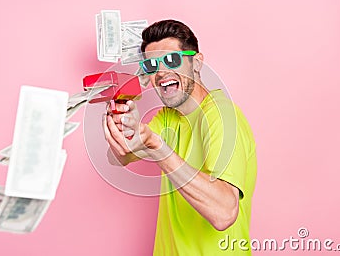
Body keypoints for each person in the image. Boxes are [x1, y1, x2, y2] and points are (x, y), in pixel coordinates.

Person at [103, 19, 257, 255]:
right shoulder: (167, 118)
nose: (162, 72)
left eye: (172, 60)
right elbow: (120, 157)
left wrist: (158, 148)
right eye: (152, 65)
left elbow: (224, 213)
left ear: (196, 62)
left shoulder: (223, 115)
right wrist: (122, 125)